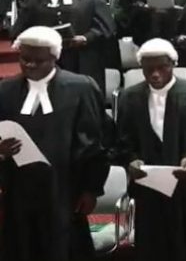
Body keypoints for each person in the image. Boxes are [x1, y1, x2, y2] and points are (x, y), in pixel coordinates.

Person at [0, 26, 109, 261]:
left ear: (54, 57)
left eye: (38, 60)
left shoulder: (81, 87)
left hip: (64, 188)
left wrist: (91, 188)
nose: (30, 65)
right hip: (19, 189)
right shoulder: (5, 90)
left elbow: (95, 141)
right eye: (24, 59)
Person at [115, 38, 186, 261]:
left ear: (173, 64)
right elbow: (123, 141)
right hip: (149, 189)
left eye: (161, 67)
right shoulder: (129, 97)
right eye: (148, 69)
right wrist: (132, 160)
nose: (155, 74)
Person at [14, 0, 115, 89]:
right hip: (47, 61)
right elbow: (20, 29)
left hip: (84, 59)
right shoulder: (34, 0)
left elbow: (106, 26)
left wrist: (86, 38)